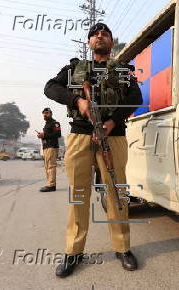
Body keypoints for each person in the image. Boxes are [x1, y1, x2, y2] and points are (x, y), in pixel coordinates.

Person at [44, 22, 143, 277]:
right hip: (80, 134)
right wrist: (78, 100)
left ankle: (122, 248)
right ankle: (73, 251)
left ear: (111, 43)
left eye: (105, 34)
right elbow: (50, 88)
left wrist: (112, 121)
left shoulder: (122, 69)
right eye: (95, 34)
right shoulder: (74, 68)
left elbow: (135, 98)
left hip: (114, 135)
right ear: (89, 42)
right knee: (78, 194)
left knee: (117, 192)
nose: (100, 36)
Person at [37, 108, 61, 192]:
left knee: (51, 166)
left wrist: (44, 135)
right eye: (43, 113)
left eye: (47, 113)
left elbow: (58, 134)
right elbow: (46, 135)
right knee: (47, 167)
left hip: (52, 146)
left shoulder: (55, 123)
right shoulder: (47, 124)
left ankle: (51, 185)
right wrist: (42, 135)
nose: (45, 115)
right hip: (46, 147)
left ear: (51, 113)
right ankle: (49, 184)